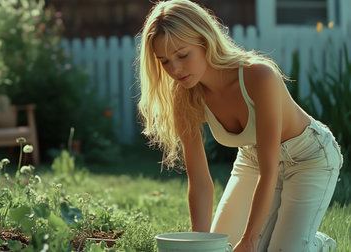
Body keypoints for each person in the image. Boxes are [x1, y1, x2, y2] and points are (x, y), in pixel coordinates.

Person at [137, 0, 344, 251]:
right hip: (252, 159)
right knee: (221, 246)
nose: (175, 69)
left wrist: (250, 239)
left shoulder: (259, 76)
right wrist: (199, 245)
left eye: (182, 55)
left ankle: (317, 243)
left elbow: (270, 171)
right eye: (165, 61)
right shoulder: (183, 95)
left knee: (270, 247)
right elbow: (200, 180)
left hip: (309, 157)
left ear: (205, 41)